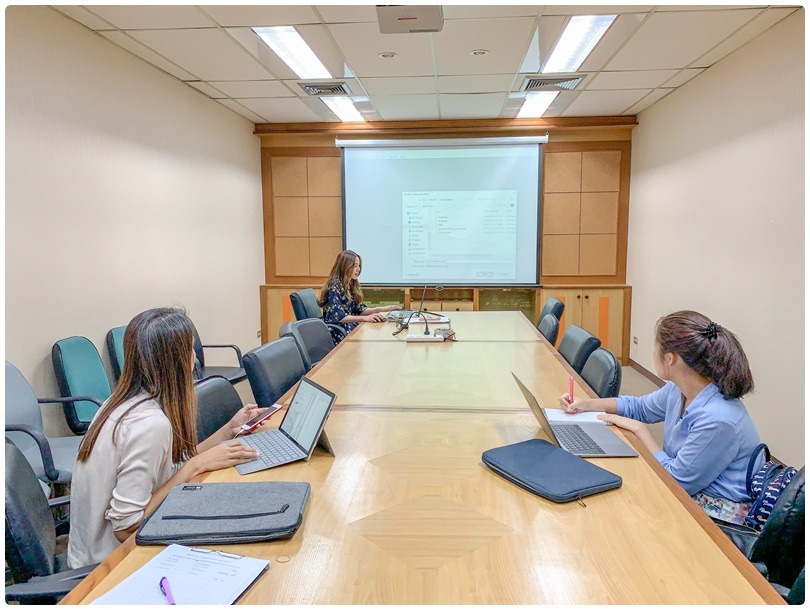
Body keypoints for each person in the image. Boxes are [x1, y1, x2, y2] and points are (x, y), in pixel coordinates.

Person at [67, 308, 263, 568]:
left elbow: (174, 463)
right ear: (176, 361)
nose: (195, 358)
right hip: (111, 564)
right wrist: (196, 466)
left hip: (93, 552)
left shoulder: (123, 402)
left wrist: (229, 430)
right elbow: (125, 528)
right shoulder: (149, 424)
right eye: (190, 349)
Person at [559, 310, 761, 524]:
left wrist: (641, 432)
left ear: (670, 358)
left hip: (719, 510)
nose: (653, 353)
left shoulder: (718, 419)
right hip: (686, 484)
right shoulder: (681, 388)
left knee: (619, 509)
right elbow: (639, 407)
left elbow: (677, 483)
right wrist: (587, 404)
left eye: (655, 348)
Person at [318, 250, 401, 344]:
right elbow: (339, 317)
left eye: (359, 266)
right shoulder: (335, 286)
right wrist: (364, 318)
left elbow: (359, 309)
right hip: (339, 333)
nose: (358, 269)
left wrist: (382, 309)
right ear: (344, 266)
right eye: (355, 266)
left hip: (349, 328)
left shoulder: (350, 284)